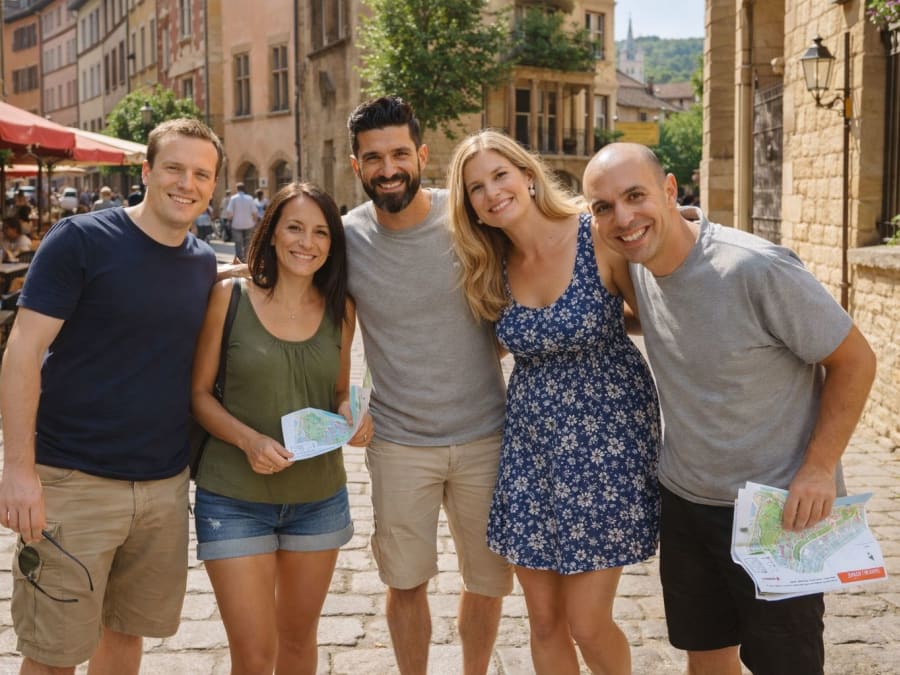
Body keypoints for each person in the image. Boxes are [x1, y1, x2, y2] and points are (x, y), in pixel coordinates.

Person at [583, 142, 877, 675]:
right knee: (706, 656)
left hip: (778, 510)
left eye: (635, 196)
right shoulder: (640, 267)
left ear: (669, 191)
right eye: (603, 207)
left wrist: (817, 469)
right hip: (687, 503)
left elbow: (855, 360)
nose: (623, 218)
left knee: (786, 664)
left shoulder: (755, 268)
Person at [0, 117, 223, 674]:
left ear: (213, 186)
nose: (186, 183)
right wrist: (19, 470)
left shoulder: (202, 264)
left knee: (126, 637)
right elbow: (22, 350)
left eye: (201, 173)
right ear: (147, 171)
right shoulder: (82, 240)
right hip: (73, 484)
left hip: (164, 487)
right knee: (53, 655)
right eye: (174, 168)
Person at [447, 130, 660, 674]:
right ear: (468, 205)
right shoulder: (487, 265)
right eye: (476, 187)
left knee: (588, 623)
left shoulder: (597, 236)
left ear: (526, 173)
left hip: (608, 448)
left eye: (500, 175)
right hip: (531, 451)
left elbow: (659, 324)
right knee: (543, 623)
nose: (492, 192)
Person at [344, 96, 513, 674]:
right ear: (356, 166)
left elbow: (546, 246)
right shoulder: (345, 240)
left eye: (398, 154)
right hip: (397, 441)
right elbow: (333, 332)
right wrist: (343, 404)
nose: (387, 168)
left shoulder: (467, 219)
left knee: (488, 579)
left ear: (420, 155)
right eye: (373, 158)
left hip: (487, 436)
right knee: (404, 581)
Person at [192, 181, 373, 674]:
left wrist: (350, 416)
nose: (306, 242)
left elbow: (338, 390)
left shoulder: (342, 310)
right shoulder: (227, 297)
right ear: (271, 233)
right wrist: (248, 440)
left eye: (320, 232)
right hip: (232, 499)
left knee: (297, 645)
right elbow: (199, 396)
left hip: (318, 500)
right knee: (253, 656)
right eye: (294, 227)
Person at [225, 182, 258, 261]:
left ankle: (240, 260)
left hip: (236, 225)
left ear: (237, 189)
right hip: (249, 224)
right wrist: (255, 223)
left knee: (238, 243)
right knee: (248, 242)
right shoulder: (250, 198)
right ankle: (247, 259)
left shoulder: (233, 198)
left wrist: (229, 220)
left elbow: (229, 213)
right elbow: (255, 212)